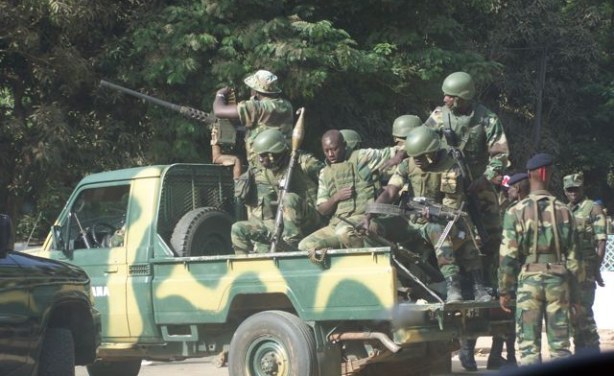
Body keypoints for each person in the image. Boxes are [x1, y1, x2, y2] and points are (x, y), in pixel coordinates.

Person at [365, 125, 491, 304]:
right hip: (411, 220)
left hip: (444, 219)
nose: (417, 160)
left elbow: (451, 204)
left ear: (432, 152)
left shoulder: (449, 167)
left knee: (440, 231)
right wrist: (371, 212)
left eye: (421, 156)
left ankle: (454, 286)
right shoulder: (408, 164)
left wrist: (434, 214)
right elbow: (392, 190)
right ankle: (392, 283)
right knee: (374, 227)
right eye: (414, 156)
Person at [498, 153, 581, 366]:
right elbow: (574, 258)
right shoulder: (564, 211)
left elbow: (508, 256)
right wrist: (576, 295)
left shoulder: (515, 211)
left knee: (528, 348)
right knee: (561, 347)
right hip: (558, 280)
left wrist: (505, 291)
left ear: (530, 174)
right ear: (547, 173)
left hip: (529, 281)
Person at [297, 130, 396, 251]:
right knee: (304, 245)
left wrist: (400, 155)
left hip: (364, 219)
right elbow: (322, 210)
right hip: (337, 223)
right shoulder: (325, 173)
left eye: (334, 149)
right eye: (326, 151)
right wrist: (335, 198)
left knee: (344, 232)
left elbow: (395, 151)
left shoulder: (362, 157)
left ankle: (328, 247)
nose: (330, 154)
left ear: (344, 145)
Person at [231, 129, 324, 254]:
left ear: (276, 152)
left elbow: (330, 181)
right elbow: (265, 212)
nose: (261, 160)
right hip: (284, 224)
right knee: (238, 229)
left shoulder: (304, 162)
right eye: (260, 156)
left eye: (265, 155)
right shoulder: (265, 172)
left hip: (313, 219)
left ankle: (293, 248)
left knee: (289, 198)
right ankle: (244, 268)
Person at [486, 172, 528, 370]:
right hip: (501, 265)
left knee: (509, 315)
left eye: (508, 189)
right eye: (504, 189)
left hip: (512, 266)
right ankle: (498, 356)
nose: (506, 192)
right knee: (502, 313)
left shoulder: (515, 209)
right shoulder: (503, 207)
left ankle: (506, 355)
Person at [213, 69, 294, 170]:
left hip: (262, 166)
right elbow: (263, 126)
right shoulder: (286, 105)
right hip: (284, 162)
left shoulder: (257, 107)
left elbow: (219, 110)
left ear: (255, 91)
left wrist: (220, 95)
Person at [563, 172, 607, 354]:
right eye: (569, 190)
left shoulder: (593, 208)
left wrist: (595, 269)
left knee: (585, 313)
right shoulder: (564, 210)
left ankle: (593, 349)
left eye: (576, 189)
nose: (573, 193)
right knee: (572, 314)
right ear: (565, 191)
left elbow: (601, 241)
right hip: (569, 270)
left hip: (586, 269)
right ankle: (580, 351)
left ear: (582, 188)